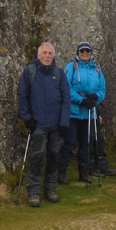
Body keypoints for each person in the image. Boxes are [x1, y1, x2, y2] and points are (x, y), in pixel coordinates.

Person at [18, 42, 71, 207]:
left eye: (50, 53)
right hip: (38, 124)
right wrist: (27, 118)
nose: (47, 56)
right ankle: (33, 191)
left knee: (54, 156)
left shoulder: (60, 73)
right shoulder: (29, 72)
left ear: (53, 56)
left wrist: (64, 123)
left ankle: (50, 188)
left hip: (56, 126)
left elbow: (66, 99)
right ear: (38, 55)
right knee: (37, 157)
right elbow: (22, 96)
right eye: (44, 53)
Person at [58, 42, 106, 185]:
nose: (85, 53)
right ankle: (61, 173)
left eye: (87, 51)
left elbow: (102, 88)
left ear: (91, 53)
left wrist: (96, 98)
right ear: (78, 53)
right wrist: (81, 100)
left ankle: (83, 173)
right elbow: (66, 87)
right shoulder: (71, 67)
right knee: (69, 143)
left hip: (90, 113)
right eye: (82, 51)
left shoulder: (97, 69)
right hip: (73, 113)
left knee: (86, 144)